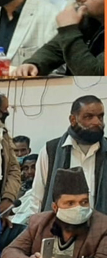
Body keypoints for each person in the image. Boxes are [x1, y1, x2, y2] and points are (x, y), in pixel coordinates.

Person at [13, 96, 106, 227]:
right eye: (89, 117)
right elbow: (37, 197)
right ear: (73, 120)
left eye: (100, 116)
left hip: (101, 232)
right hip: (59, 230)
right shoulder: (51, 151)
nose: (97, 122)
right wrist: (34, 229)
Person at [2, 167, 107, 258]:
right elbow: (10, 251)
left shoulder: (102, 226)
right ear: (55, 207)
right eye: (70, 203)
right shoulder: (39, 222)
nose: (79, 208)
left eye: (84, 202)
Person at [19, 0, 105, 76]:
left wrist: (69, 29)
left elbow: (93, 77)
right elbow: (56, 48)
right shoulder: (90, 20)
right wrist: (35, 64)